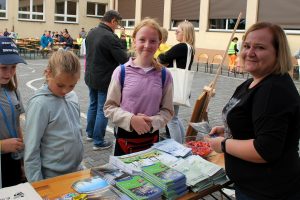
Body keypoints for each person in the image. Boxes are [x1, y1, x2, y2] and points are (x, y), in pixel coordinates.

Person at [207, 22, 300, 200]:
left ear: (277, 53)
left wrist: (224, 144)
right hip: (251, 187)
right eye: (247, 46)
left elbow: (265, 149)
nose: (250, 52)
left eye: (260, 47)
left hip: (267, 191)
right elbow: (257, 122)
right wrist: (229, 129)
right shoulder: (256, 81)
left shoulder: (273, 90)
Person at [104, 18, 174, 156]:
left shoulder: (165, 75)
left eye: (153, 41)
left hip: (152, 139)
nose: (147, 45)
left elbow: (168, 111)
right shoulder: (121, 72)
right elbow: (109, 108)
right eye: (142, 39)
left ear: (159, 43)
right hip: (125, 140)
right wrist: (131, 119)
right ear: (134, 41)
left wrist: (153, 122)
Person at [24, 50, 83, 182]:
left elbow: (76, 133)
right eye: (60, 85)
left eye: (72, 85)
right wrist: (38, 186)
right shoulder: (40, 104)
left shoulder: (72, 96)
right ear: (48, 73)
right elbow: (31, 149)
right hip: (52, 177)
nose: (65, 91)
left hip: (76, 171)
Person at [85, 10, 128, 150]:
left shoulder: (91, 32)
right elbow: (123, 59)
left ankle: (90, 134)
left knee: (93, 105)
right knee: (102, 110)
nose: (117, 26)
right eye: (117, 23)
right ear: (113, 20)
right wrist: (122, 41)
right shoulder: (110, 36)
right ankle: (98, 141)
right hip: (104, 79)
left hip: (91, 76)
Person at [158, 21, 195, 144]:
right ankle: (182, 143)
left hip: (174, 85)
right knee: (175, 117)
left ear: (185, 33)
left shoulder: (181, 47)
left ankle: (177, 147)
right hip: (180, 86)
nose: (175, 33)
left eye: (178, 31)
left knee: (171, 119)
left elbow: (162, 58)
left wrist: (165, 60)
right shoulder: (190, 48)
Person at [0, 36, 27, 187]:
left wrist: (22, 160)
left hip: (13, 160)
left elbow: (17, 125)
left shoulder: (13, 91)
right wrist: (2, 146)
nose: (9, 73)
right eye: (3, 67)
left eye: (14, 67)